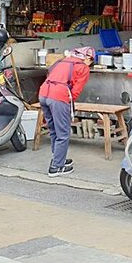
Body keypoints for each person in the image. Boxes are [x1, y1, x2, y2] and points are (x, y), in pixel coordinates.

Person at [38, 46, 94, 177]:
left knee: (53, 130)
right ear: (87, 57)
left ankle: (58, 158)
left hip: (43, 93)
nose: (91, 63)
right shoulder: (83, 68)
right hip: (59, 97)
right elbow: (75, 92)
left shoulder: (62, 61)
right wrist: (68, 103)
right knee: (63, 133)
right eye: (91, 60)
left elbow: (49, 74)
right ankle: (56, 167)